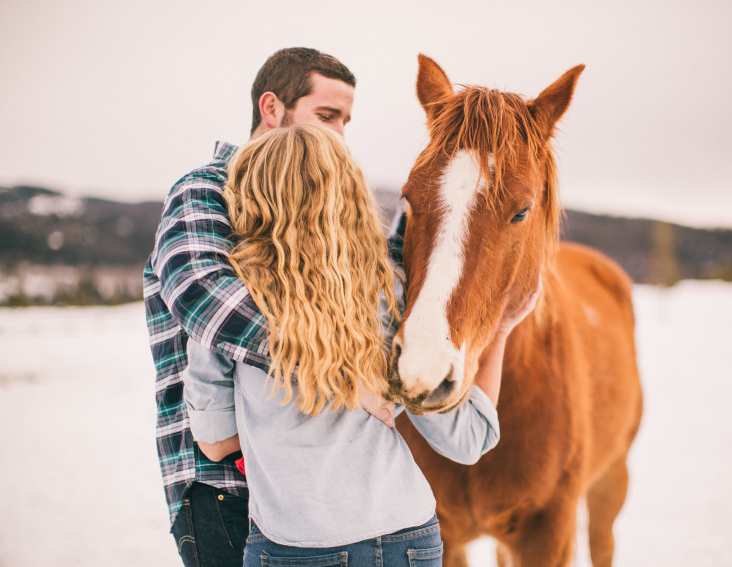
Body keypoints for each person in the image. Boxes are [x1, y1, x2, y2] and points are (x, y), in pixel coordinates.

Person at [183, 123, 538, 566]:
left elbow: (215, 444)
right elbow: (469, 440)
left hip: (297, 545)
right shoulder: (388, 293)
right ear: (349, 194)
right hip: (410, 537)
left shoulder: (228, 305)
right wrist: (502, 331)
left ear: (252, 197)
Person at [143, 47, 396, 566]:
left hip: (315, 489)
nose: (339, 136)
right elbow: (202, 292)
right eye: (327, 116)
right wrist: (342, 367)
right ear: (272, 108)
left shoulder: (320, 209)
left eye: (346, 121)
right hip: (223, 485)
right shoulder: (206, 189)